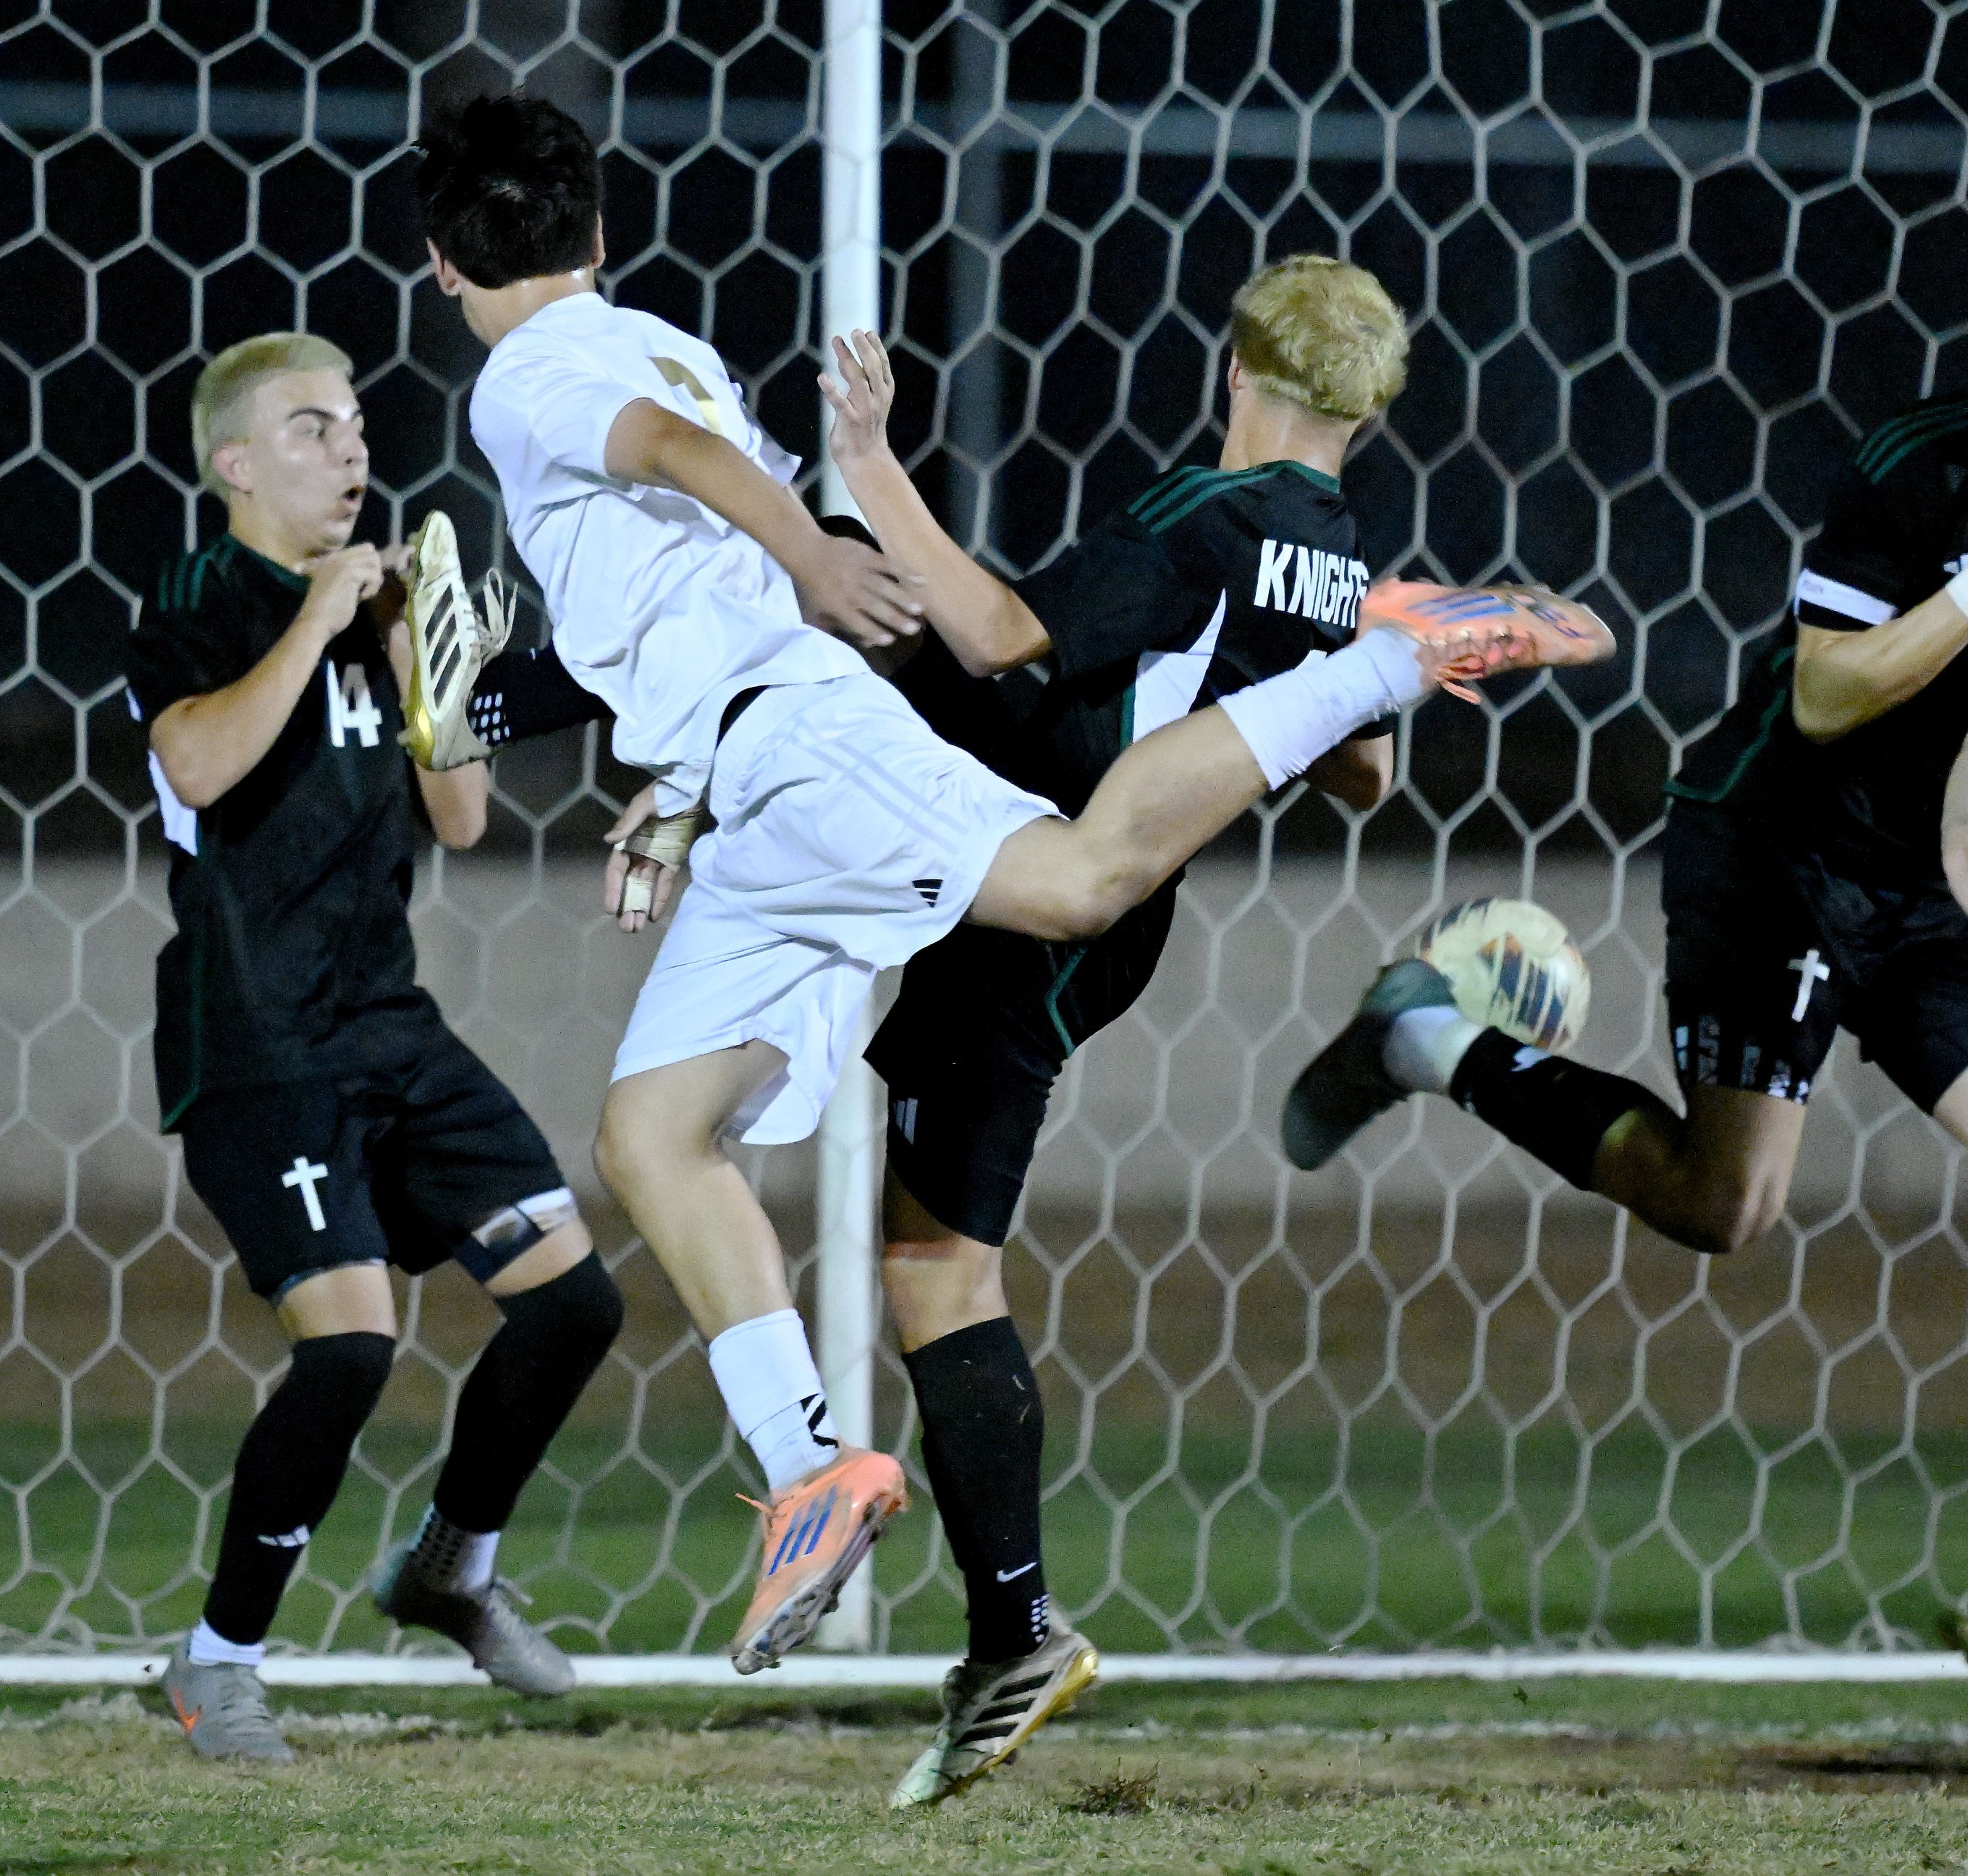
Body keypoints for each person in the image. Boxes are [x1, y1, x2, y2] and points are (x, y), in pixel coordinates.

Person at [410, 94, 1609, 1684]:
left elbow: (783, 534)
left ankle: (1398, 655)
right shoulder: (669, 346)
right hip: (761, 770)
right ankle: (813, 1475)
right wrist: (654, 759)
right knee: (650, 1135)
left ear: (443, 264)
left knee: (1076, 884)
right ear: (605, 235)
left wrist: (826, 542)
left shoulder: (532, 377)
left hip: (818, 751)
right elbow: (709, 586)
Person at [1280, 172, 1968, 1676]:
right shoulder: (1919, 463)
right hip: (1772, 847)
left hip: (1919, 883)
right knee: (1720, 1206)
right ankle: (1426, 1038)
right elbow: (1823, 693)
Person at [811, 254, 1406, 1804]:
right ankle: (1004, 1631)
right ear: (1364, 414)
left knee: (935, 1268)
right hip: (1082, 900)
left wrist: (873, 468)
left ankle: (1014, 1635)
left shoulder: (1202, 517)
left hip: (1036, 891)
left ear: (1237, 372)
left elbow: (1007, 636)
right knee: (930, 1256)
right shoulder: (1340, 555)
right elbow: (1367, 772)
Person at [130, 333, 624, 1763]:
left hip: (394, 1035)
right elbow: (196, 765)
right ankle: (219, 1661)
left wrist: (420, 652)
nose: (350, 449)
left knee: (574, 1304)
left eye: (353, 426)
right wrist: (317, 620)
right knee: (349, 1350)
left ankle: (449, 1570)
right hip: (260, 1049)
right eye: (310, 428)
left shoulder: (384, 610)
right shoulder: (202, 601)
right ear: (234, 462)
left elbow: (461, 818)